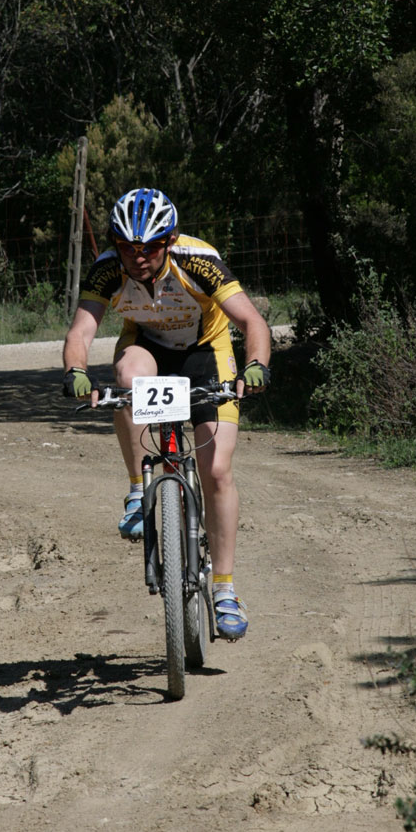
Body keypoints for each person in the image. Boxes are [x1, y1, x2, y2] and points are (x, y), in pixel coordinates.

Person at [62, 187, 271, 641]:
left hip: (205, 352)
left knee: (217, 470)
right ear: (116, 244)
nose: (138, 258)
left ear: (170, 241)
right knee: (127, 379)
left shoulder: (199, 260)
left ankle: (225, 590)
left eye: (152, 247)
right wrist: (76, 371)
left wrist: (255, 366)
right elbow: (81, 330)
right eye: (127, 247)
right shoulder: (108, 271)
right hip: (149, 348)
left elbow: (252, 322)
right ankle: (139, 490)